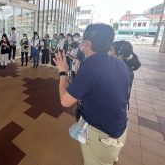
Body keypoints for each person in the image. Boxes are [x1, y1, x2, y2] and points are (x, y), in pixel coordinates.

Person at [53, 24, 133, 165]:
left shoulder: (89, 69)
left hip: (100, 134)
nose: (81, 42)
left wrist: (63, 72)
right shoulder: (120, 64)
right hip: (119, 127)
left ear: (87, 43)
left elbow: (65, 101)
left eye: (83, 39)